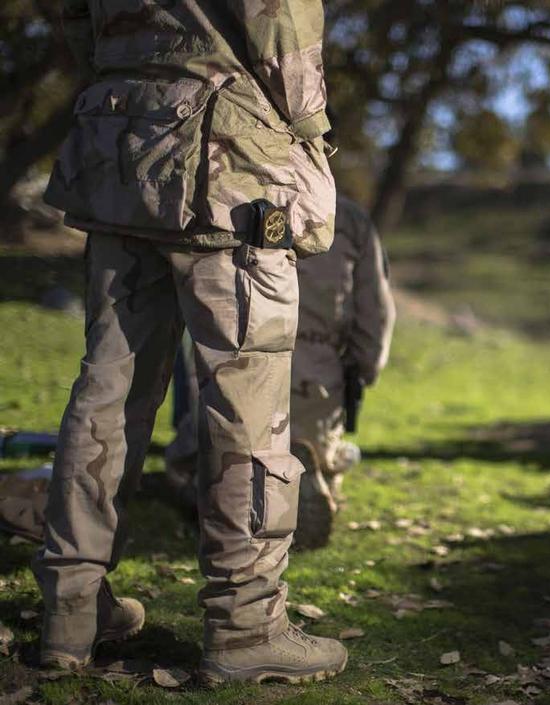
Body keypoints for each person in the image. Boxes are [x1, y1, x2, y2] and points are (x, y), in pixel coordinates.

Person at [33, 0, 347, 685]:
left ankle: (71, 612)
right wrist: (311, 137)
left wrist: (127, 76)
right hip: (229, 164)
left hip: (116, 147)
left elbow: (69, 16)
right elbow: (280, 22)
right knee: (247, 407)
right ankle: (246, 625)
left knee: (106, 390)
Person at [166, 196, 396, 549]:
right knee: (328, 453)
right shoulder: (349, 218)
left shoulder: (227, 194)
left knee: (199, 460)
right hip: (315, 381)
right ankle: (310, 472)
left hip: (237, 364)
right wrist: (362, 372)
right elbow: (375, 318)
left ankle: (220, 487)